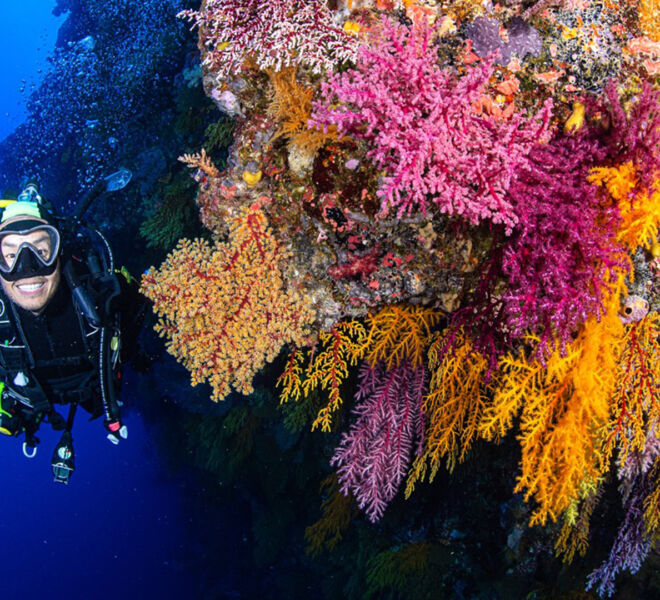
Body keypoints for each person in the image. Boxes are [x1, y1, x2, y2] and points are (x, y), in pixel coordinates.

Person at [0, 183, 142, 483]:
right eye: (9, 254)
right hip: (32, 403)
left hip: (94, 390)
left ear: (59, 249)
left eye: (41, 249)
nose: (27, 269)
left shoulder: (96, 291)